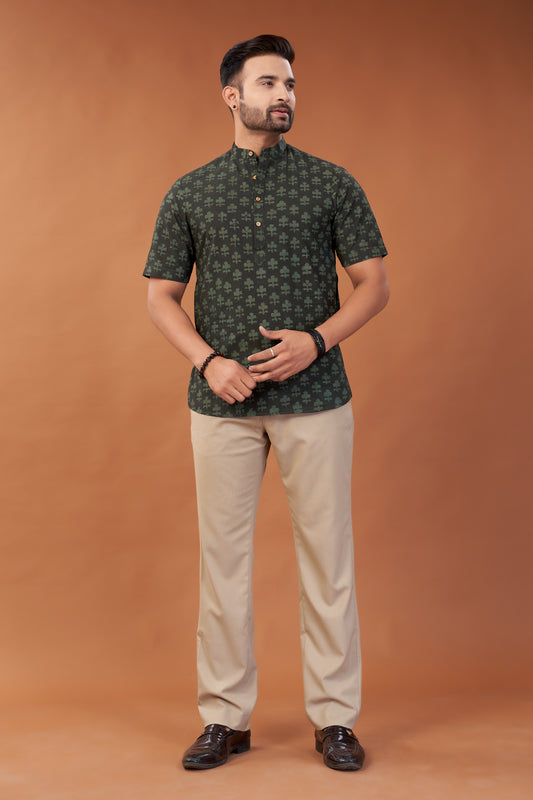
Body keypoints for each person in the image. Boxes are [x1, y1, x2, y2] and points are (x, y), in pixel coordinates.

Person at [143, 34, 389, 772]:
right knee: (223, 563)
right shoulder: (189, 191)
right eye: (268, 83)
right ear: (232, 96)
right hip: (220, 405)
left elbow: (374, 286)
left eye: (290, 84)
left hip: (318, 399)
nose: (284, 94)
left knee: (328, 559)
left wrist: (316, 341)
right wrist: (208, 361)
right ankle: (225, 717)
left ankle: (335, 719)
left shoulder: (331, 183)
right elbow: (160, 297)